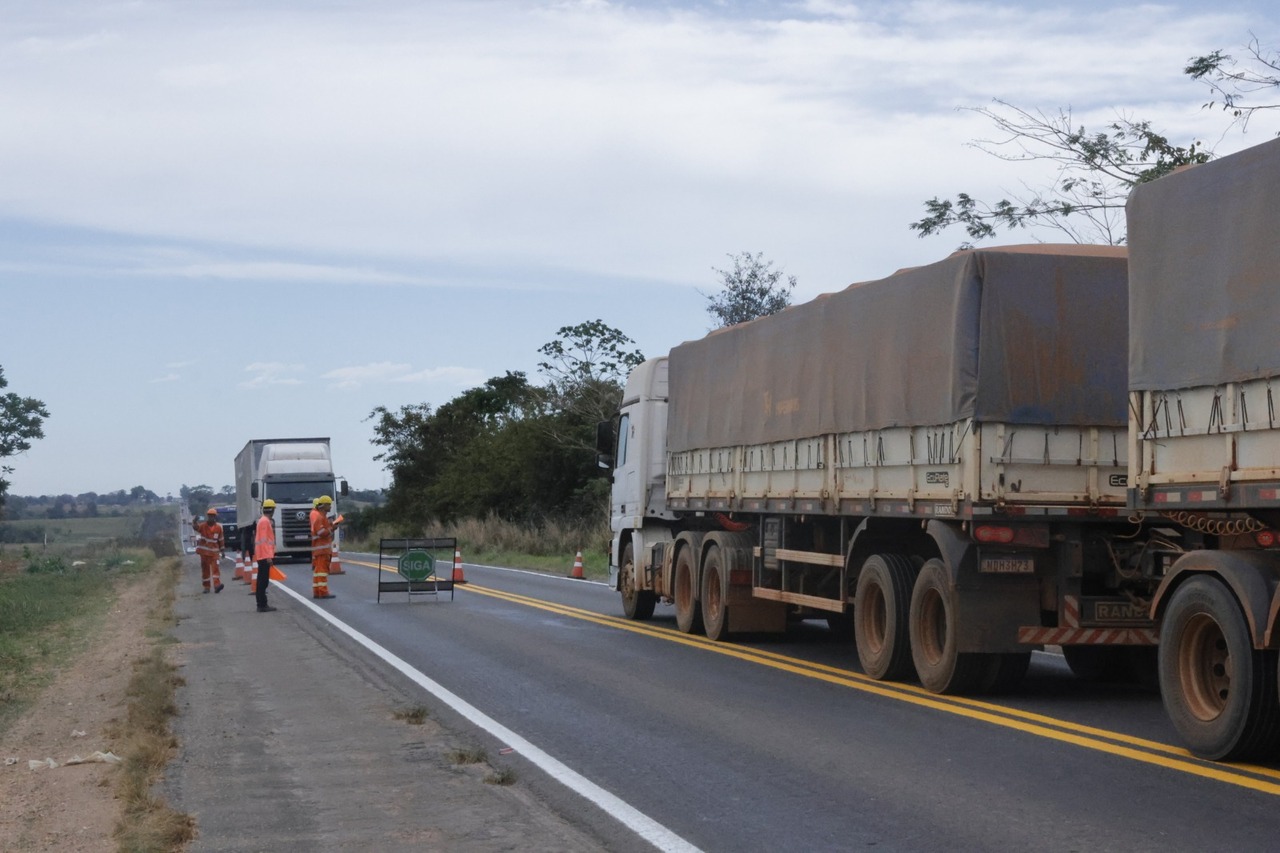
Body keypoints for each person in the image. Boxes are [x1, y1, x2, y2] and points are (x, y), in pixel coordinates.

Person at [309, 495, 340, 599]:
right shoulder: (320, 517)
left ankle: (317, 591)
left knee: (318, 571)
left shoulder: (320, 517)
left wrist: (330, 526)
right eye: (329, 505)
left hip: (320, 548)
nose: (330, 507)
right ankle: (323, 592)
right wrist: (332, 529)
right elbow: (321, 532)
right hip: (322, 549)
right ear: (324, 506)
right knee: (322, 571)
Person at [191, 508, 225, 594]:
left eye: (212, 516)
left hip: (214, 553)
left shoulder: (218, 528)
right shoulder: (203, 526)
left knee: (215, 569)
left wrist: (223, 551)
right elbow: (196, 527)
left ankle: (217, 586)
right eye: (210, 516)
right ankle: (206, 587)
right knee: (205, 570)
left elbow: (221, 540)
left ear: (215, 517)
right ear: (208, 516)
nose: (211, 518)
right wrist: (194, 521)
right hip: (204, 553)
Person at [254, 499, 278, 612]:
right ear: (272, 510)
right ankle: (262, 604)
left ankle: (261, 604)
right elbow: (264, 541)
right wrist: (268, 556)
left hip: (262, 555)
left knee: (262, 581)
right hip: (264, 556)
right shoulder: (265, 521)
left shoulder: (263, 520)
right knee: (263, 581)